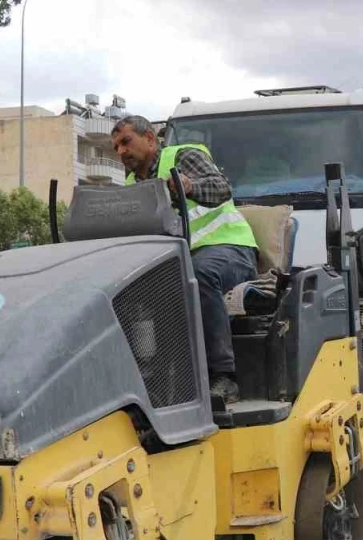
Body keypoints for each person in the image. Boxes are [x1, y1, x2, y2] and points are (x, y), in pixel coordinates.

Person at [111, 115, 258, 405]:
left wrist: (189, 187)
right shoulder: (131, 184)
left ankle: (224, 376)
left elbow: (221, 188)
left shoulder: (181, 157)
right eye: (116, 147)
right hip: (180, 259)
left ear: (149, 138)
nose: (121, 152)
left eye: (126, 142)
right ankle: (152, 380)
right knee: (129, 288)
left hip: (230, 249)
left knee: (198, 275)